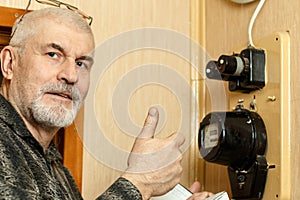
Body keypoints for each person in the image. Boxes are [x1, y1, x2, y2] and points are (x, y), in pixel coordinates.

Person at [0, 7, 213, 200]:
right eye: (53, 54)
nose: (71, 75)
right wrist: (140, 182)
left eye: (81, 63)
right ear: (10, 63)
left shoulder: (51, 161)